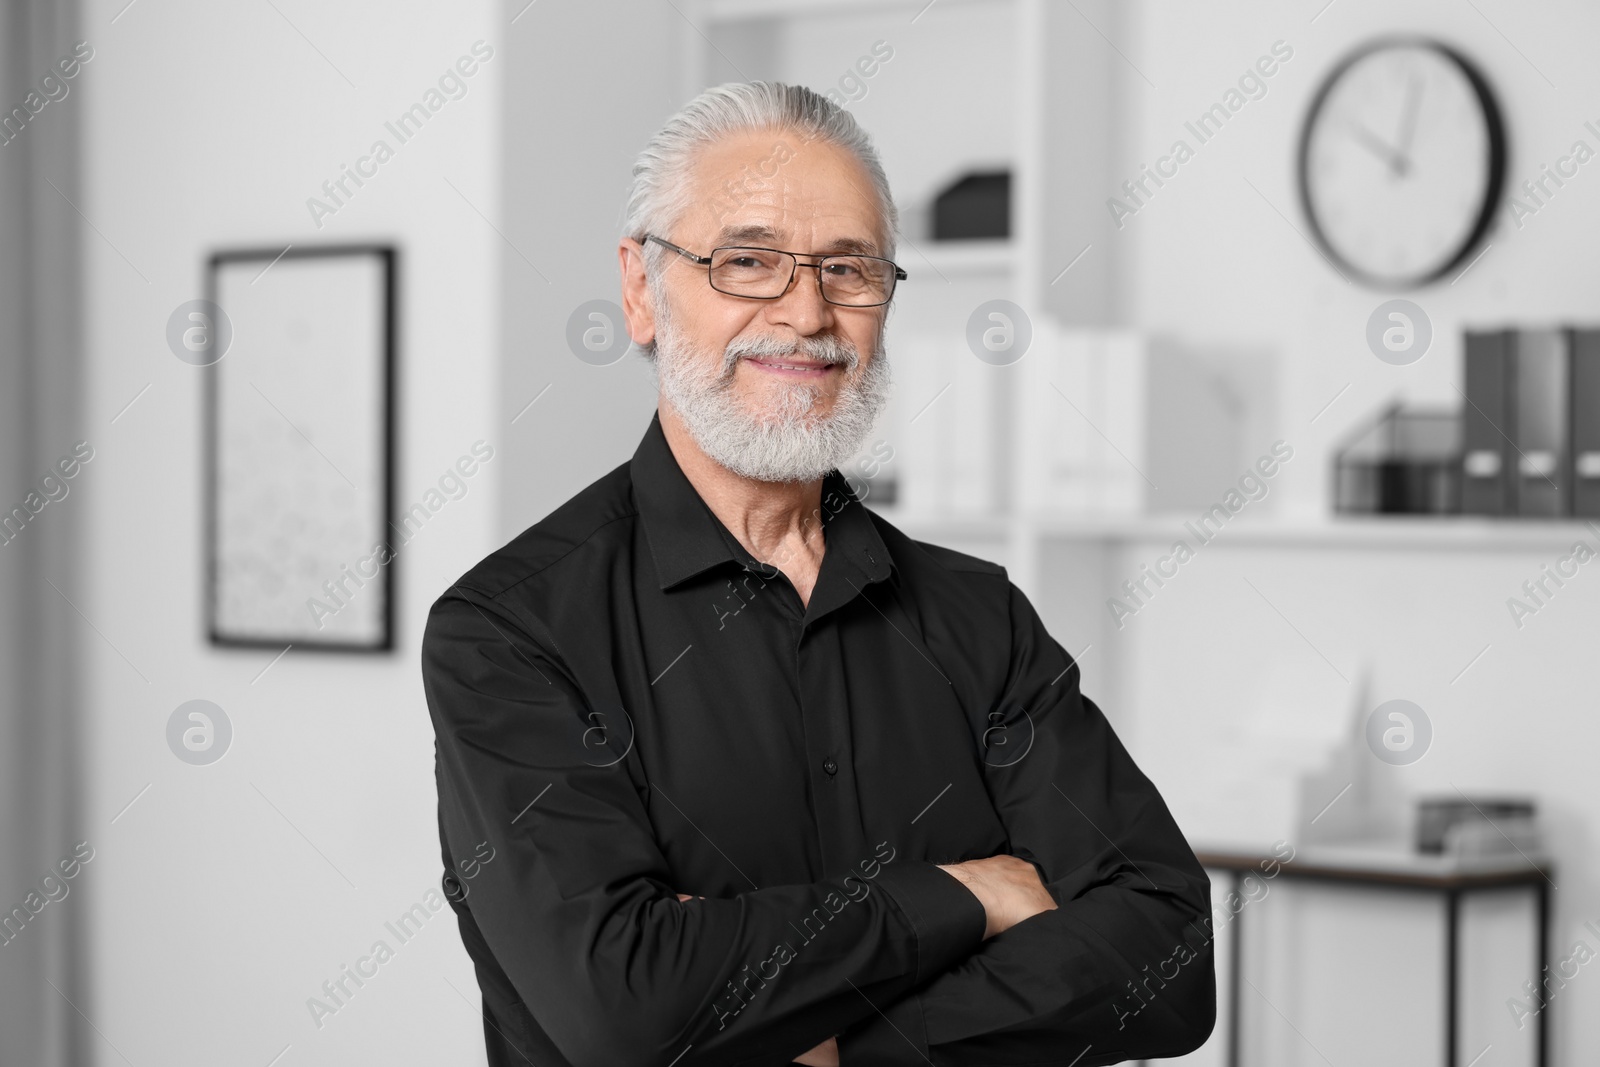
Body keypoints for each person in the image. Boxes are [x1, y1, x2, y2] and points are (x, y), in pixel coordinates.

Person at [423, 81, 1214, 1067]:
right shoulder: (512, 631)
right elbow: (623, 1006)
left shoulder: (978, 619)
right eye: (746, 261)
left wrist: (850, 1041)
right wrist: (966, 896)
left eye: (848, 267)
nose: (807, 312)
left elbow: (1169, 952)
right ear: (640, 288)